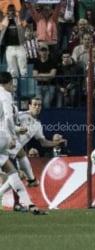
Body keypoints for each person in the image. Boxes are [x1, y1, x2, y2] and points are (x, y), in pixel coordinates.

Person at [0, 71, 47, 215]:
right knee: (16, 162)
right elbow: (8, 118)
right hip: (2, 136)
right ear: (8, 83)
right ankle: (32, 180)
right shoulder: (5, 95)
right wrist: (13, 136)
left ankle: (31, 205)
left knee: (13, 172)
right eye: (12, 83)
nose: (13, 85)